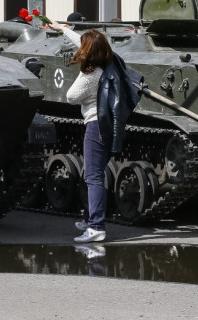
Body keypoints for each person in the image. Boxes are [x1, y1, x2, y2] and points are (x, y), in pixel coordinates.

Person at [48, 20, 140, 243]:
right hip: (109, 125)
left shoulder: (90, 75)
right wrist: (62, 29)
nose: (80, 50)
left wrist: (80, 69)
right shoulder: (112, 60)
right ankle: (91, 218)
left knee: (93, 177)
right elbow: (85, 42)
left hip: (95, 126)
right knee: (94, 173)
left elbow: (71, 97)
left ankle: (96, 227)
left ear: (89, 52)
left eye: (83, 49)